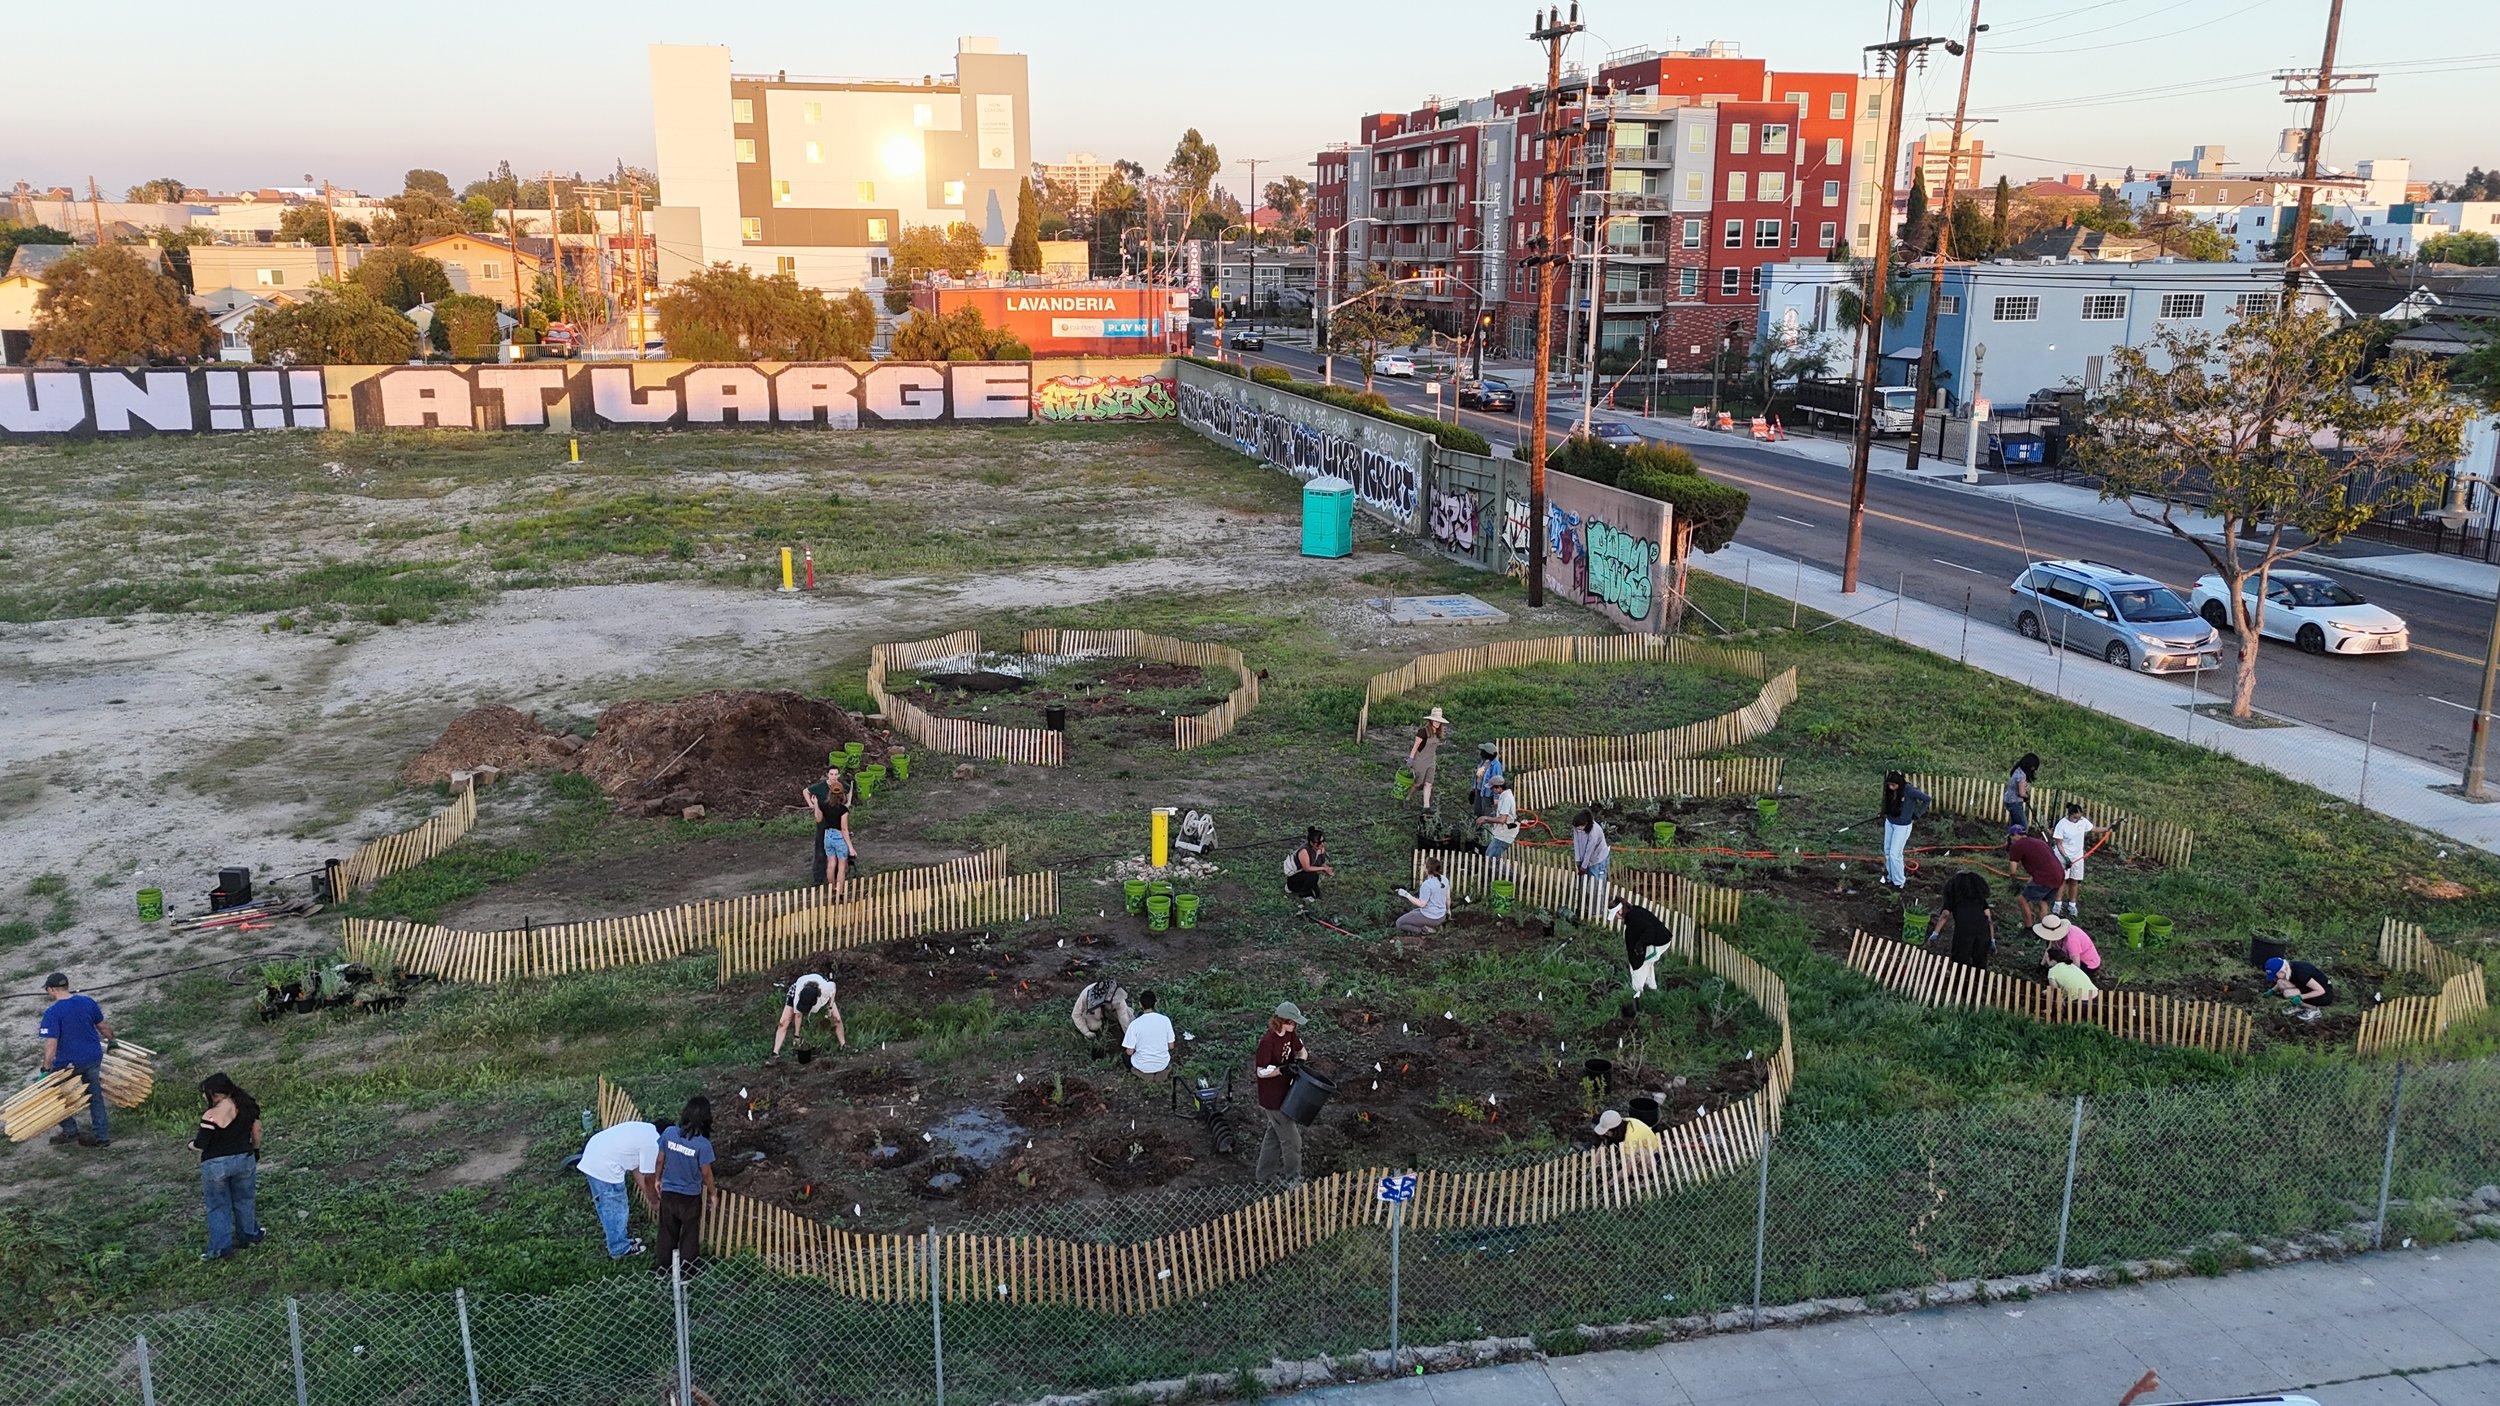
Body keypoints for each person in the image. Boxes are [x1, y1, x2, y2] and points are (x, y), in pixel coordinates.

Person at [191, 1073, 264, 1261]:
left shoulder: (210, 1116)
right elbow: (256, 1130)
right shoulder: (247, 1106)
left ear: (215, 1094)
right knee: (244, 1199)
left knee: (217, 1206)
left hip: (216, 1165)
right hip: (244, 1159)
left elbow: (201, 1144)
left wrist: (190, 1145)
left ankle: (221, 1248)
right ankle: (249, 1235)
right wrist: (255, 1150)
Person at [36, 972, 112, 1148]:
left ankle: (70, 1130)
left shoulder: (53, 1012)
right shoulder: (87, 1002)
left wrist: (45, 1069)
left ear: (52, 989)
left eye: (48, 989)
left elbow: (51, 1045)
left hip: (69, 1063)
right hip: (93, 1057)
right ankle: (102, 1137)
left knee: (53, 1093)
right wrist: (113, 1041)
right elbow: (103, 1026)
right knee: (95, 1097)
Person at [574, 1117, 660, 1260]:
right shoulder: (653, 1144)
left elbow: (637, 1169)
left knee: (605, 1206)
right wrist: (655, 1202)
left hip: (594, 1154)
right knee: (616, 1208)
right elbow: (649, 1177)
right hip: (605, 1166)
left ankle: (616, 1239)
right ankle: (619, 1249)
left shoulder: (646, 1130)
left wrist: (647, 1194)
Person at [653, 1096, 716, 1277]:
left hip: (669, 1193)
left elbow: (659, 1160)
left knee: (666, 1232)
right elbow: (706, 1173)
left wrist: (658, 1179)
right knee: (689, 1233)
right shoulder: (703, 1145)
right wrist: (713, 1193)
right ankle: (688, 1271)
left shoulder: (669, 1133)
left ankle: (663, 1269)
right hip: (689, 1197)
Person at [1252, 1002, 1311, 1185]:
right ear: (1282, 1021)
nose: (1295, 1026)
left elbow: (1302, 1052)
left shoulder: (1291, 1034)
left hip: (1288, 1094)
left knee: (1274, 1137)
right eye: (1292, 1022)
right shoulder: (1267, 1042)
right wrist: (1280, 1071)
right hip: (1273, 1099)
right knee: (1293, 1142)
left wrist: (1299, 1063)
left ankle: (1263, 1177)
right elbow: (1260, 1072)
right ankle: (1293, 1179)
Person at [768, 965, 845, 1065]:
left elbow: (833, 990)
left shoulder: (826, 989)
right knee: (783, 1022)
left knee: (837, 1019)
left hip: (820, 986)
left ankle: (843, 1046)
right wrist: (797, 1036)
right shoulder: (798, 995)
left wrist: (830, 1009)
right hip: (798, 988)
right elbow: (798, 1015)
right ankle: (775, 1054)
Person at [1928, 870, 1996, 970]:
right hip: (1982, 928)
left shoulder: (1954, 897)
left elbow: (1945, 915)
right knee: (1980, 960)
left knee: (1960, 959)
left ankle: (1959, 980)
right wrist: (1992, 939)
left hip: (1964, 929)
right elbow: (1989, 918)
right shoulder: (1979, 898)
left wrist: (1935, 933)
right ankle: (1977, 981)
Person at [1611, 897, 1676, 999]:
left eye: (1615, 914)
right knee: (1647, 962)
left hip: (1660, 942)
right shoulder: (1634, 911)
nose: (1615, 917)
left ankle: (1637, 992)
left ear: (1620, 911)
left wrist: (1640, 945)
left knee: (1640, 965)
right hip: (1660, 938)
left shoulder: (1633, 918)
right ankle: (1652, 987)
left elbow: (1649, 929)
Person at [1880, 772, 1931, 890]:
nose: (1891, 788)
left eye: (1893, 785)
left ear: (1899, 783)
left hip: (1902, 826)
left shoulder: (1910, 791)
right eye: (1889, 785)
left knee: (1895, 854)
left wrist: (1916, 815)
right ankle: (1891, 877)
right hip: (1890, 822)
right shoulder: (1890, 790)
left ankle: (1899, 882)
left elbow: (1927, 799)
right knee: (1887, 851)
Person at [808, 771, 856, 899]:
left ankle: (832, 887)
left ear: (830, 793)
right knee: (841, 866)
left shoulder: (824, 806)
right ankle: (840, 892)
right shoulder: (843, 810)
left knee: (830, 864)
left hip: (827, 836)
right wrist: (850, 847)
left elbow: (818, 819)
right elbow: (844, 828)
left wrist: (816, 804)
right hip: (839, 837)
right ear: (841, 794)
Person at [2049, 802, 2099, 917]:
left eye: (2079, 817)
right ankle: (2057, 904)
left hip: (2078, 857)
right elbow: (2059, 844)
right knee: (2062, 880)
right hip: (2063, 856)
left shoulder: (2082, 821)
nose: (2077, 819)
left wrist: (2108, 829)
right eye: (2075, 817)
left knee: (2074, 880)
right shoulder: (2062, 824)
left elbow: (2094, 828)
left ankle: (2072, 905)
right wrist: (2066, 858)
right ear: (2069, 815)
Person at [803, 765, 850, 887]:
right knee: (820, 848)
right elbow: (806, 791)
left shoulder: (841, 786)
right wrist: (812, 805)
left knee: (834, 853)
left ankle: (834, 879)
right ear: (827, 775)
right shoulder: (820, 787)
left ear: (838, 775)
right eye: (831, 774)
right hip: (825, 823)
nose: (834, 777)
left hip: (836, 822)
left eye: (836, 774)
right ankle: (819, 877)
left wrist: (848, 803)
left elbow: (850, 790)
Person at [2007, 829, 2065, 927]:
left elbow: (2013, 868)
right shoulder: (2038, 842)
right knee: (2043, 902)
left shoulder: (2017, 845)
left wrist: (2013, 878)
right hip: (2059, 875)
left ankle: (2028, 928)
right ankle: (2045, 929)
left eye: (2011, 837)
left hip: (2045, 877)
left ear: (2015, 835)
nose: (2011, 840)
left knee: (2022, 900)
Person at [1122, 989, 1177, 1079]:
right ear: (1155, 1003)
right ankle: (1161, 1073)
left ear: (1140, 1004)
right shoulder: (1165, 1020)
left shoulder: (1134, 1024)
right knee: (1168, 1056)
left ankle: (1143, 1074)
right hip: (1162, 1063)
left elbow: (1129, 1051)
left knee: (1125, 1057)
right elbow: (1171, 1046)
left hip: (1141, 1065)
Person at [2265, 956, 2336, 1021]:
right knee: (2280, 982)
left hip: (2324, 994)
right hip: (2307, 987)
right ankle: (2301, 1006)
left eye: (2275, 976)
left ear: (2282, 971)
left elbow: (2321, 990)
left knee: (2287, 993)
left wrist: (2300, 997)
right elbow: (2280, 982)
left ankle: (2314, 1010)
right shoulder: (2289, 968)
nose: (2274, 979)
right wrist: (2272, 991)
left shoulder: (2300, 973)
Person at [1406, 707, 1450, 812]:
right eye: (1435, 720)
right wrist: (1411, 758)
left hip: (1431, 761)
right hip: (1420, 761)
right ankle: (1407, 798)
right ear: (1431, 720)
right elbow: (1416, 746)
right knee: (1417, 783)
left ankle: (1426, 806)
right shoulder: (1423, 731)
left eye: (1439, 721)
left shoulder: (1438, 733)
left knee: (1429, 783)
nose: (1437, 722)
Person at [2031, 913, 2102, 976]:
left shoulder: (2072, 941)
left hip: (2086, 964)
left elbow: (2076, 966)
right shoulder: (2055, 934)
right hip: (2069, 955)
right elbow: (2049, 949)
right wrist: (2042, 965)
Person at [1395, 856, 1450, 934]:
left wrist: (1406, 894)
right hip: (1441, 916)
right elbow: (1448, 898)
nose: (1422, 865)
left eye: (1424, 864)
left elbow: (1421, 904)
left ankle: (1425, 930)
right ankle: (1437, 925)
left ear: (1427, 868)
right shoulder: (1444, 879)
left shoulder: (1427, 885)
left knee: (1399, 923)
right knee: (1412, 913)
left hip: (1431, 917)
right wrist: (1448, 912)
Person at [1478, 774, 1521, 865]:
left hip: (1504, 835)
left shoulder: (1506, 798)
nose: (1492, 791)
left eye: (1492, 788)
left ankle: (1512, 877)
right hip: (1502, 833)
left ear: (1498, 787)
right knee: (1490, 857)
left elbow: (1502, 819)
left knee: (1492, 859)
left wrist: (1485, 819)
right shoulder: (1504, 796)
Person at [1284, 827, 1334, 903]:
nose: (1322, 844)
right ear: (1312, 843)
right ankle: (1302, 894)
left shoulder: (1320, 848)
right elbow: (1307, 868)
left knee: (1317, 895)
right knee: (1313, 876)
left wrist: (1327, 869)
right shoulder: (1304, 851)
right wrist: (1322, 869)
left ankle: (1304, 889)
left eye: (1323, 841)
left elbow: (1322, 863)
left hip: (1304, 874)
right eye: (1319, 843)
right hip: (1295, 875)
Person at [1594, 1108, 1663, 1156]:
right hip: (1637, 1146)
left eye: (1606, 1131)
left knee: (1634, 1156)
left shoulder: (1629, 1138)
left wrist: (1616, 1177)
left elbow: (1628, 1163)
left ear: (1615, 1130)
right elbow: (1603, 1147)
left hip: (1652, 1155)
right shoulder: (1622, 1123)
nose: (1605, 1133)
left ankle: (1642, 1174)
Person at [1571, 811, 1612, 890]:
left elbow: (1589, 850)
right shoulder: (1576, 826)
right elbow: (1576, 842)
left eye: (1579, 827)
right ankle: (1584, 901)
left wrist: (1583, 866)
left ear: (1586, 824)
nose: (1577, 829)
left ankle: (1597, 902)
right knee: (1583, 886)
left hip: (1598, 859)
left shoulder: (1594, 831)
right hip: (1585, 859)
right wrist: (1578, 860)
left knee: (1597, 886)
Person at [2004, 753, 2040, 832]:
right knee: (2023, 827)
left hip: (2009, 801)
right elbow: (2021, 793)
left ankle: (2011, 842)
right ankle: (2020, 842)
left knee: (2014, 826)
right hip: (2015, 803)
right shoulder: (2022, 776)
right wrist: (2026, 796)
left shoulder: (2017, 771)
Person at [1470, 744, 1505, 817]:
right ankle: (1478, 824)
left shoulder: (1496, 766)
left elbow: (1498, 782)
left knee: (1486, 812)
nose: (1481, 753)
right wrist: (1473, 790)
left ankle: (1485, 826)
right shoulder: (1483, 762)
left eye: (1483, 751)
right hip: (1479, 790)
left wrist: (1496, 797)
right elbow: (1477, 776)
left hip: (1487, 794)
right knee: (1477, 810)